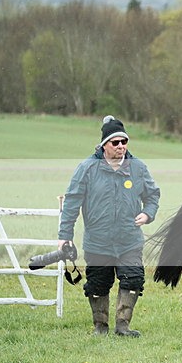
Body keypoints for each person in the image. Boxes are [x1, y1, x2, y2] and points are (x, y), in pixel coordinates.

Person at [58, 116, 160, 337]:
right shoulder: (86, 168)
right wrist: (65, 235)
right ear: (104, 144)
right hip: (98, 240)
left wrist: (147, 213)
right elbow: (72, 202)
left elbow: (152, 196)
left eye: (124, 141)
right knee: (97, 284)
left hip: (129, 240)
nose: (121, 146)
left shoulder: (138, 168)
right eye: (116, 142)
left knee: (133, 279)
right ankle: (100, 327)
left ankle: (122, 326)